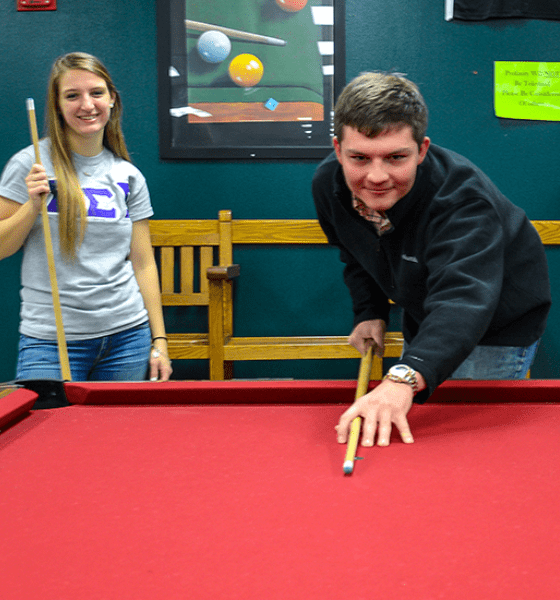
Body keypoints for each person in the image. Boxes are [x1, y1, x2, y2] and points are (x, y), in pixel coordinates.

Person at [312, 71, 551, 448]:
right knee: (415, 418)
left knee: (465, 446)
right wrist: (368, 310)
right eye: (359, 157)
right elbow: (355, 251)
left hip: (497, 319)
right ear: (338, 150)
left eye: (395, 157)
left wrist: (404, 376)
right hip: (427, 311)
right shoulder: (329, 184)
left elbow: (463, 298)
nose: (376, 176)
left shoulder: (463, 200)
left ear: (421, 150)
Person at [0, 52, 172, 382]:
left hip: (128, 339)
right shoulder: (29, 165)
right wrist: (31, 207)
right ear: (58, 105)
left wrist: (159, 341)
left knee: (121, 436)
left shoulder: (128, 175)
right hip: (50, 342)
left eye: (96, 93)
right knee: (48, 433)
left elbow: (143, 262)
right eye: (72, 95)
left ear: (112, 99)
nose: (87, 105)